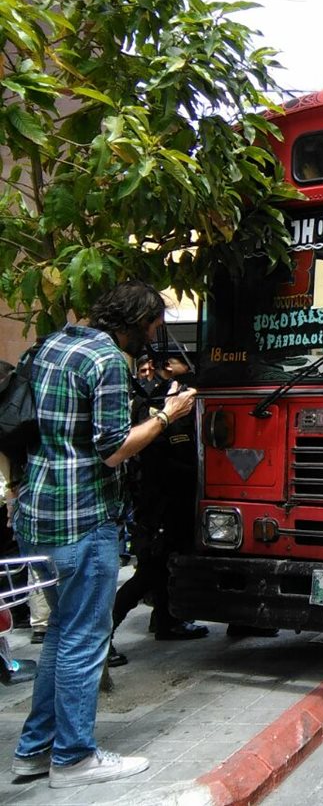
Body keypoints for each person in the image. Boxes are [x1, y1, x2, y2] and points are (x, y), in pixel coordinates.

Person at [10, 281, 197, 788]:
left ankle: (34, 751)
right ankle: (73, 758)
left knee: (60, 637)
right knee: (84, 639)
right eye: (155, 327)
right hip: (82, 517)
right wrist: (167, 414)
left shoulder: (53, 342)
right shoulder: (107, 360)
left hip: (36, 513)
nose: (154, 338)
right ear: (136, 320)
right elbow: (114, 449)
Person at [109, 346, 207, 661]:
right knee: (149, 572)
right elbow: (163, 457)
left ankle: (167, 621)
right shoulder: (158, 402)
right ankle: (104, 637)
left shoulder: (166, 396)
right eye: (184, 361)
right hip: (160, 501)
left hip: (169, 500)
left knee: (166, 564)